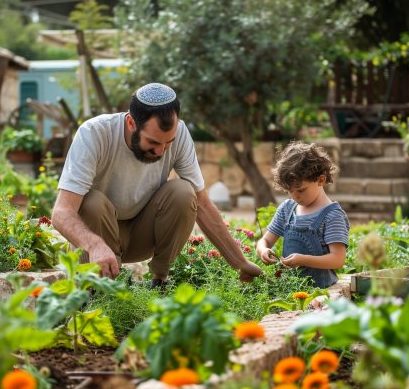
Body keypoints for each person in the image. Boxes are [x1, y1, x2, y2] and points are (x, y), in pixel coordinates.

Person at [51, 83, 262, 287]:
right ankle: (100, 288)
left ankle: (159, 282)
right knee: (91, 202)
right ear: (131, 123)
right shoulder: (94, 133)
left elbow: (203, 205)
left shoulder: (179, 134)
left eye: (167, 143)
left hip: (141, 235)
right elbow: (61, 212)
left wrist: (240, 263)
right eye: (153, 142)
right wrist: (94, 245)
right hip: (99, 236)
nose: (161, 151)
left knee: (184, 192)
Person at [256, 141, 349, 288]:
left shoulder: (332, 215)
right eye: (289, 190)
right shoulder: (287, 209)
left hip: (321, 291)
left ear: (321, 180)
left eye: (300, 190)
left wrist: (303, 259)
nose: (294, 196)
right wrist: (263, 250)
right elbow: (264, 241)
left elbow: (337, 259)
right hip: (290, 288)